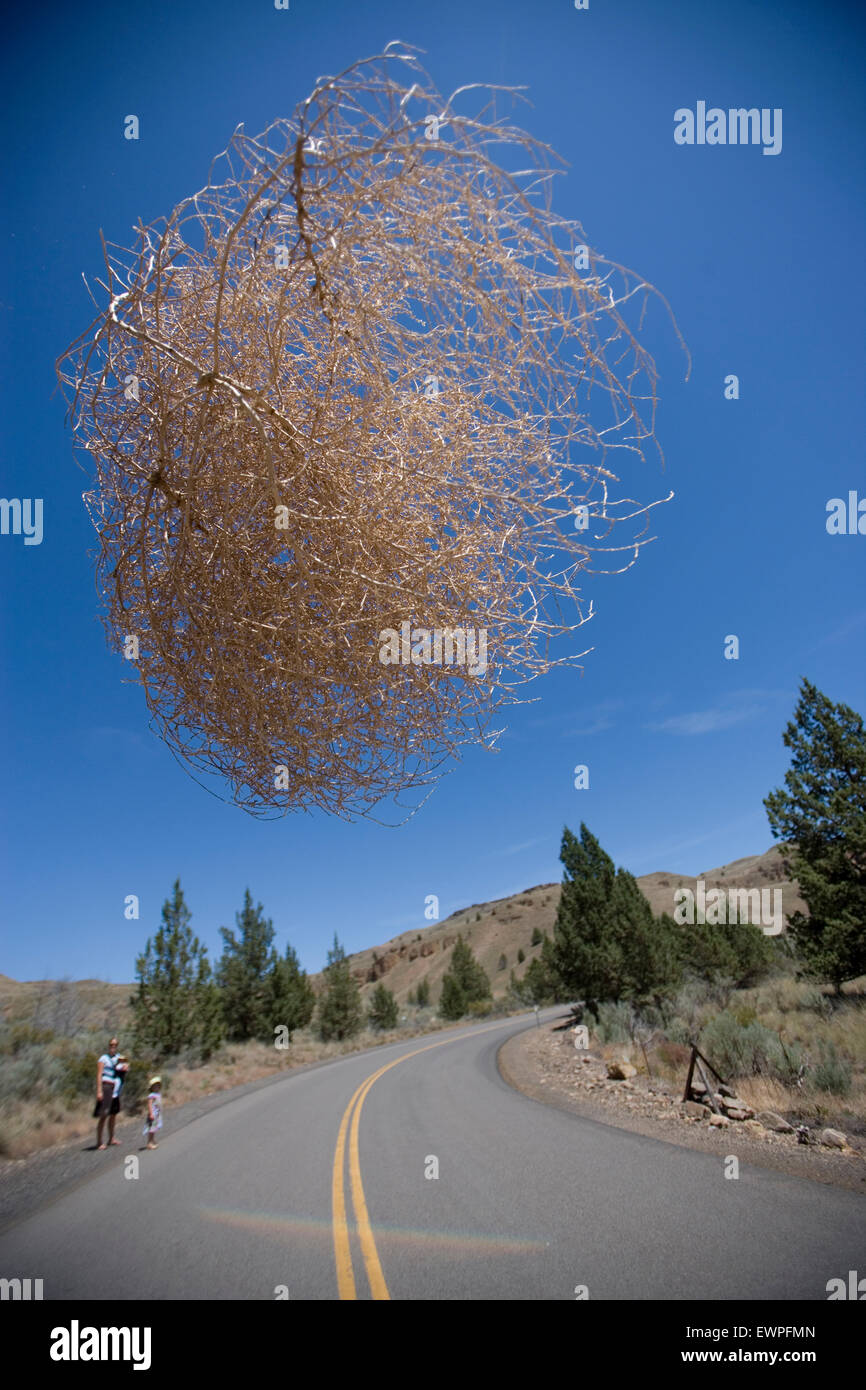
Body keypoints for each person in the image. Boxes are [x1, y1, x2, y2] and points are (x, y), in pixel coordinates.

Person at [95, 1037, 128, 1150]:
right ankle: (99, 1141)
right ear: (108, 1046)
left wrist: (126, 1067)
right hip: (106, 1087)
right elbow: (99, 1074)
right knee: (104, 1114)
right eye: (111, 1045)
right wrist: (99, 1090)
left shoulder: (119, 1057)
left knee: (113, 1114)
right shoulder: (103, 1058)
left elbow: (125, 1068)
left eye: (115, 1045)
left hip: (116, 1088)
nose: (113, 1047)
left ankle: (111, 1138)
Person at [143, 1077, 163, 1150]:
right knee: (151, 1129)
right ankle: (149, 1143)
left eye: (157, 1086)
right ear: (151, 1087)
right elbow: (149, 1104)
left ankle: (152, 1140)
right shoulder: (151, 1095)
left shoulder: (158, 1094)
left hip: (157, 1114)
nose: (156, 1087)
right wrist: (151, 1114)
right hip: (153, 1114)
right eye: (154, 1086)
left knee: (154, 1128)